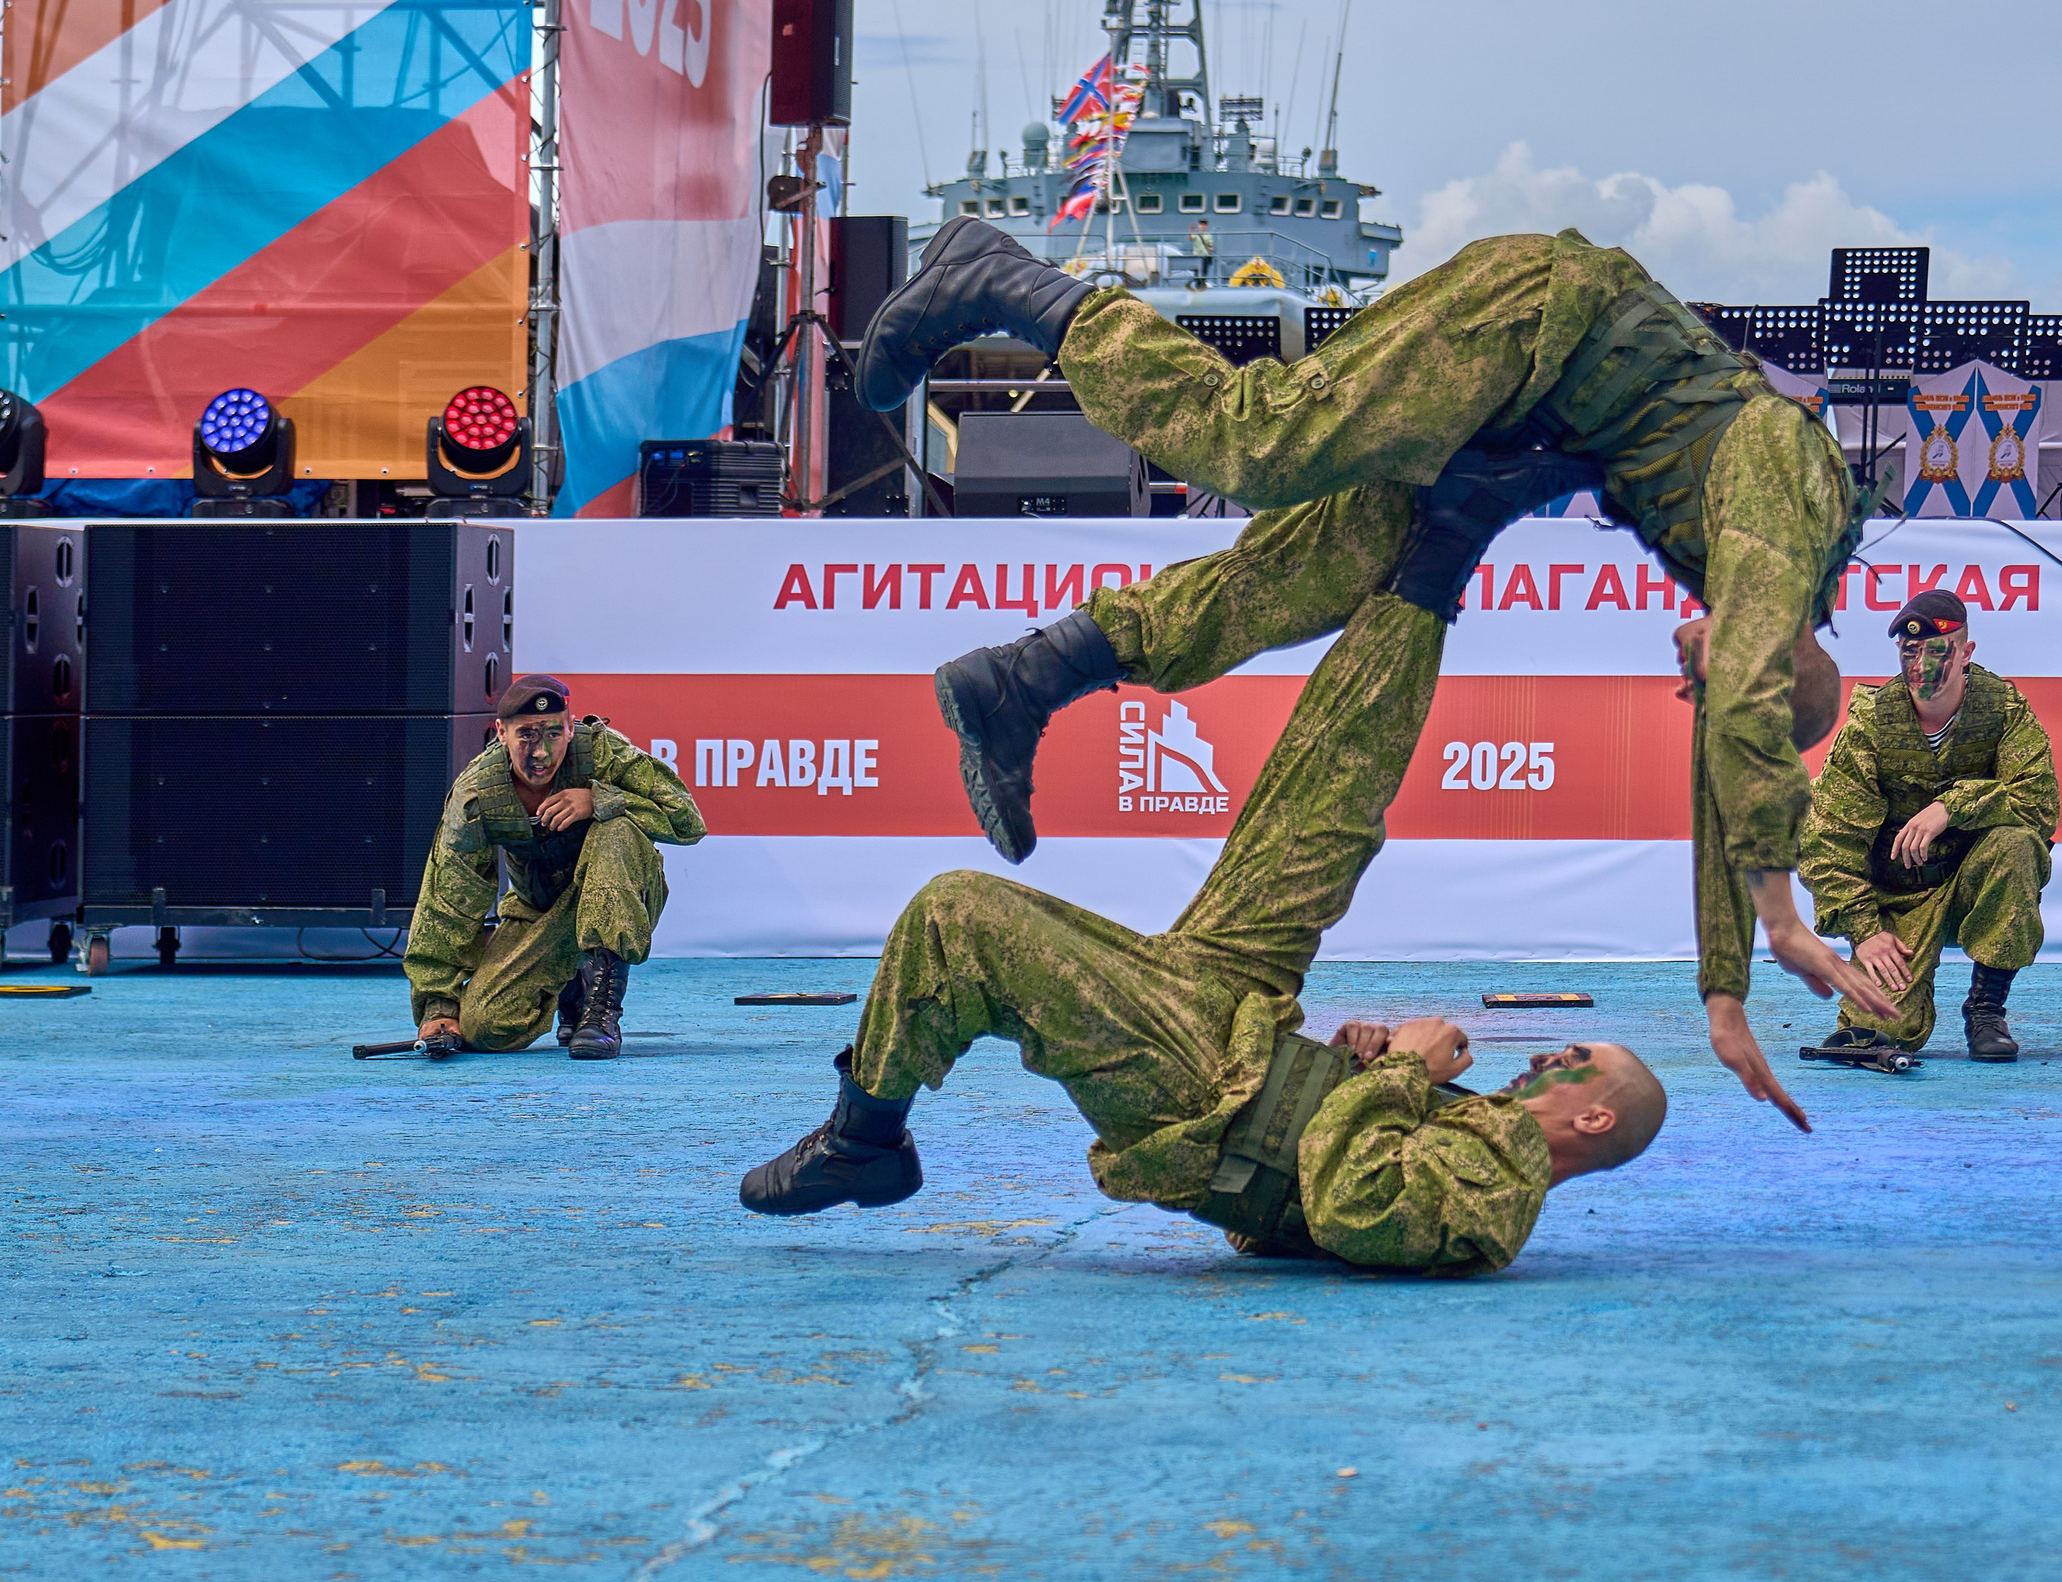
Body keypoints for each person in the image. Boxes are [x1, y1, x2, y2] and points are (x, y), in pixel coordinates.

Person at [857, 216, 1897, 1119]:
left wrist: (1724, 993)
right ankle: (1004, 279)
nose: (1688, 682)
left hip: (1521, 415)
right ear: (1781, 654)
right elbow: (1749, 715)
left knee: (1321, 569)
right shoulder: (1784, 509)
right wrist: (1778, 919)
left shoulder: (1753, 597)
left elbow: (1734, 747)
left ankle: (1028, 677)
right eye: (1707, 683)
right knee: (1260, 445)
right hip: (1539, 324)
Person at [737, 457, 1670, 1273]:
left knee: (957, 915)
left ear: (1590, 1120)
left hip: (1205, 1087)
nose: (1550, 1052)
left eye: (1575, 1060)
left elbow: (1350, 1208)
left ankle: (865, 1140)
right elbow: (1333, 1179)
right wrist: (1358, 1065)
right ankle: (1448, 540)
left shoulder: (1501, 1197)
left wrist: (1404, 1080)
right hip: (1248, 1023)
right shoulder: (1489, 1136)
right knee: (1322, 809)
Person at [1798, 590, 2058, 1059]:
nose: (1921, 665)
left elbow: (2038, 805)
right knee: (1878, 1029)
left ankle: (1985, 1010)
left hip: (1971, 884)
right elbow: (1826, 839)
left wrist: (1954, 806)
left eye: (1938, 651)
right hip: (1895, 898)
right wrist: (1864, 929)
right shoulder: (1874, 724)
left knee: (2017, 844)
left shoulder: (2002, 710)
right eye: (1910, 651)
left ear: (1967, 654)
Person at [404, 676, 707, 1060]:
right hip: (541, 911)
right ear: (501, 733)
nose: (541, 752)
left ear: (570, 726)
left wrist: (599, 799)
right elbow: (447, 901)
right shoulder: (478, 794)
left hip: (623, 893)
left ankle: (600, 1012)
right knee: (486, 1029)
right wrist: (439, 1007)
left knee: (615, 829)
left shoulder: (601, 752)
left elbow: (687, 821)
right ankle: (571, 983)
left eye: (553, 733)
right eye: (527, 735)